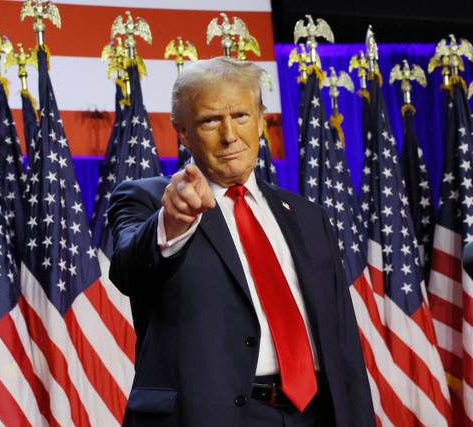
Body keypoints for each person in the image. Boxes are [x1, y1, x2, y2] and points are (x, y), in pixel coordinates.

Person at [108, 56, 375, 426]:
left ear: (261, 120)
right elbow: (127, 271)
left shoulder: (308, 217)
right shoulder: (150, 200)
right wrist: (173, 222)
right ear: (182, 131)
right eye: (210, 120)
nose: (229, 134)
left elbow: (343, 341)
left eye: (241, 116)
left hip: (313, 415)